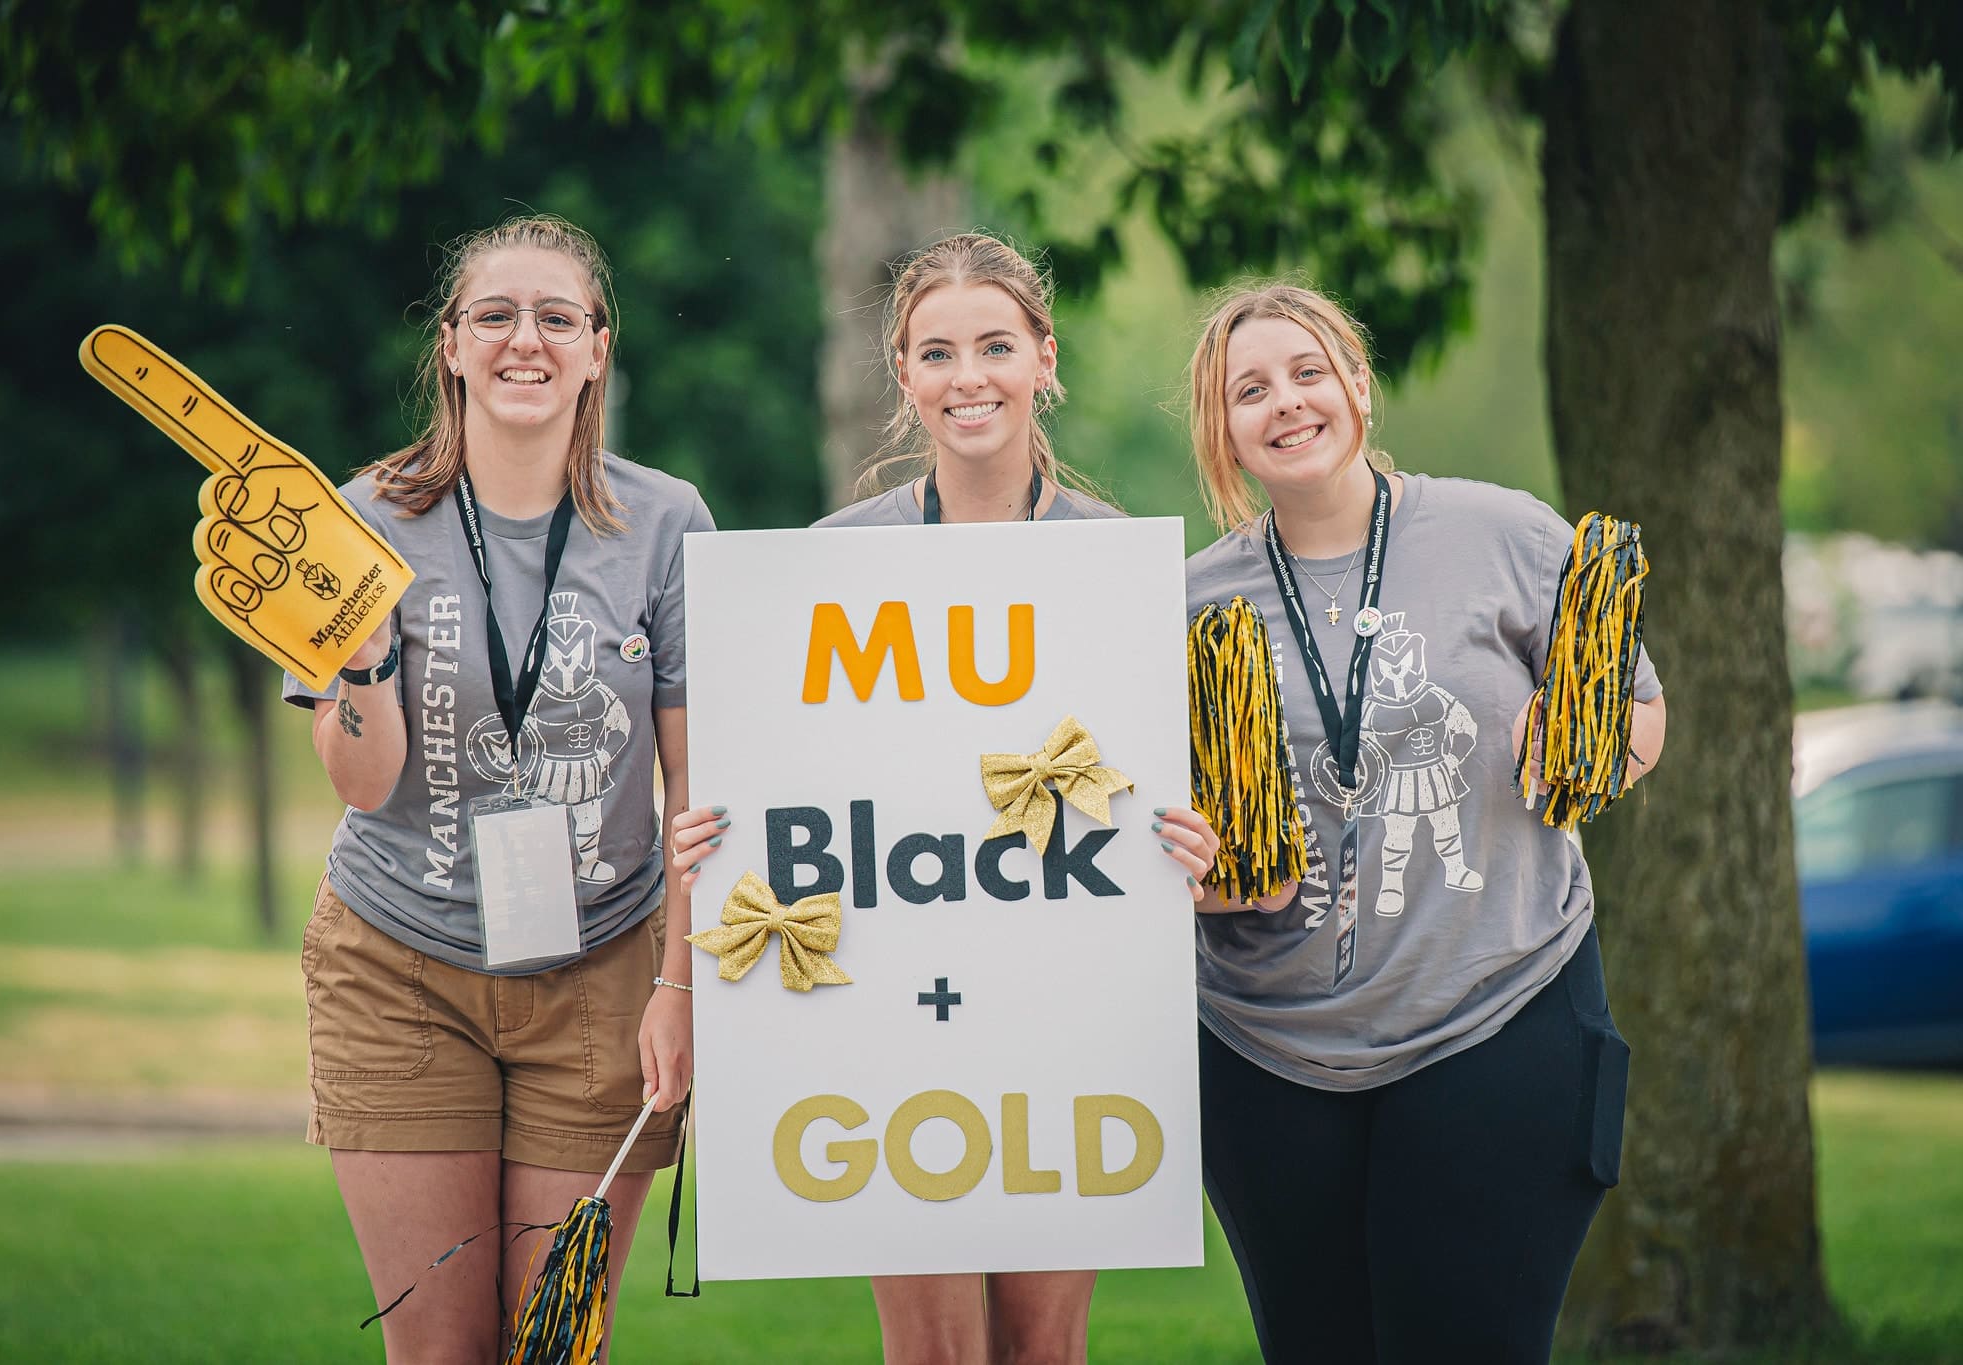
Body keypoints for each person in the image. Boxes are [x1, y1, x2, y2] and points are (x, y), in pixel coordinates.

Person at [670, 231, 1219, 1365]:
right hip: (888, 1024)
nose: (968, 376)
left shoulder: (1119, 566)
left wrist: (1191, 840)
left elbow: (1162, 779)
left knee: (1043, 1350)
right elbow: (790, 782)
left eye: (995, 346)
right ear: (904, 377)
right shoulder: (831, 564)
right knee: (930, 1356)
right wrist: (713, 837)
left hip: (1071, 1017)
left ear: (1044, 359)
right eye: (936, 352)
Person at [1179, 280, 1669, 1363]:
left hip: (1496, 1019)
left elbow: (1638, 712)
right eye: (1247, 390)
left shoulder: (1501, 532)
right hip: (1268, 1057)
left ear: (1357, 382)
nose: (1285, 403)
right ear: (1223, 432)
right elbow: (1160, 828)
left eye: (1308, 372)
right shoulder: (1190, 603)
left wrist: (1585, 750)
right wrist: (1204, 871)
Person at [283, 214, 710, 1365]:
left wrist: (680, 980)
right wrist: (365, 655)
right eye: (496, 316)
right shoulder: (362, 518)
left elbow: (700, 788)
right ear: (453, 348)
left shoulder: (667, 521)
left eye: (557, 318)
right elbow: (365, 783)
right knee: (438, 1355)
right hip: (398, 968)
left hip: (606, 972)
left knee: (554, 1350)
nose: (528, 340)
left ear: (597, 350)